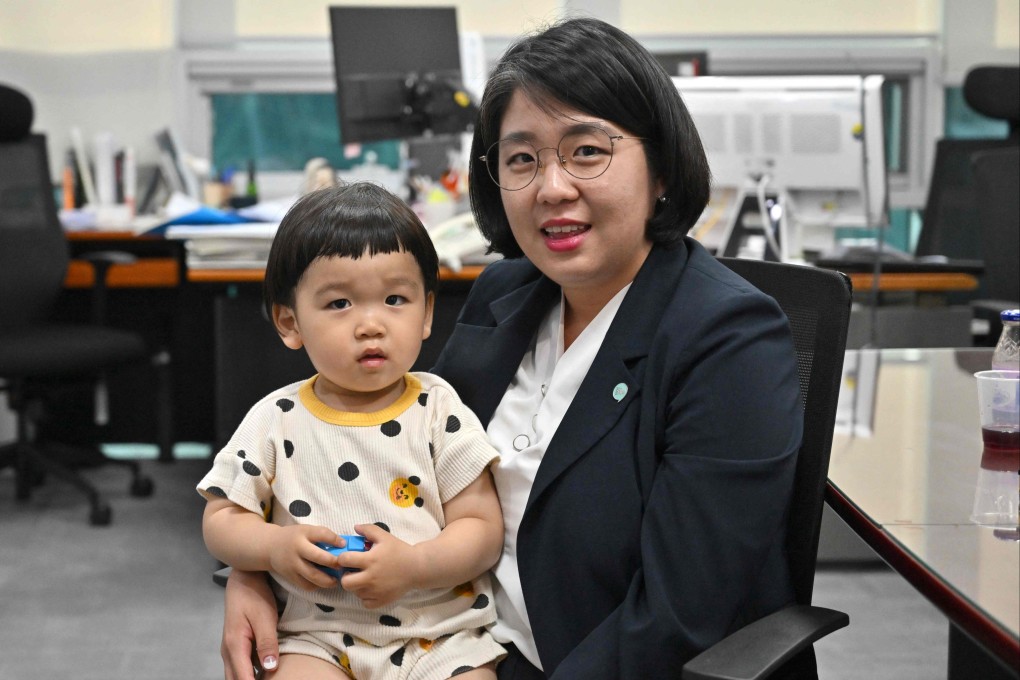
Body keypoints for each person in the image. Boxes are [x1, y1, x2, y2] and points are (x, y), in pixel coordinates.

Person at [220, 17, 808, 680]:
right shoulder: (506, 293)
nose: (552, 187)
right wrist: (254, 570)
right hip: (439, 640)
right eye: (522, 159)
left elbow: (675, 620)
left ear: (662, 167)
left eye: (587, 151)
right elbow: (389, 462)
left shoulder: (728, 340)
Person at [198, 182, 506, 680]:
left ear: (427, 312)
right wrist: (272, 547)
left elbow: (482, 529)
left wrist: (416, 565)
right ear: (289, 321)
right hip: (313, 637)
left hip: (437, 636)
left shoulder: (438, 408)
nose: (370, 325)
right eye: (340, 303)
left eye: (394, 298)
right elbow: (222, 518)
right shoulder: (275, 417)